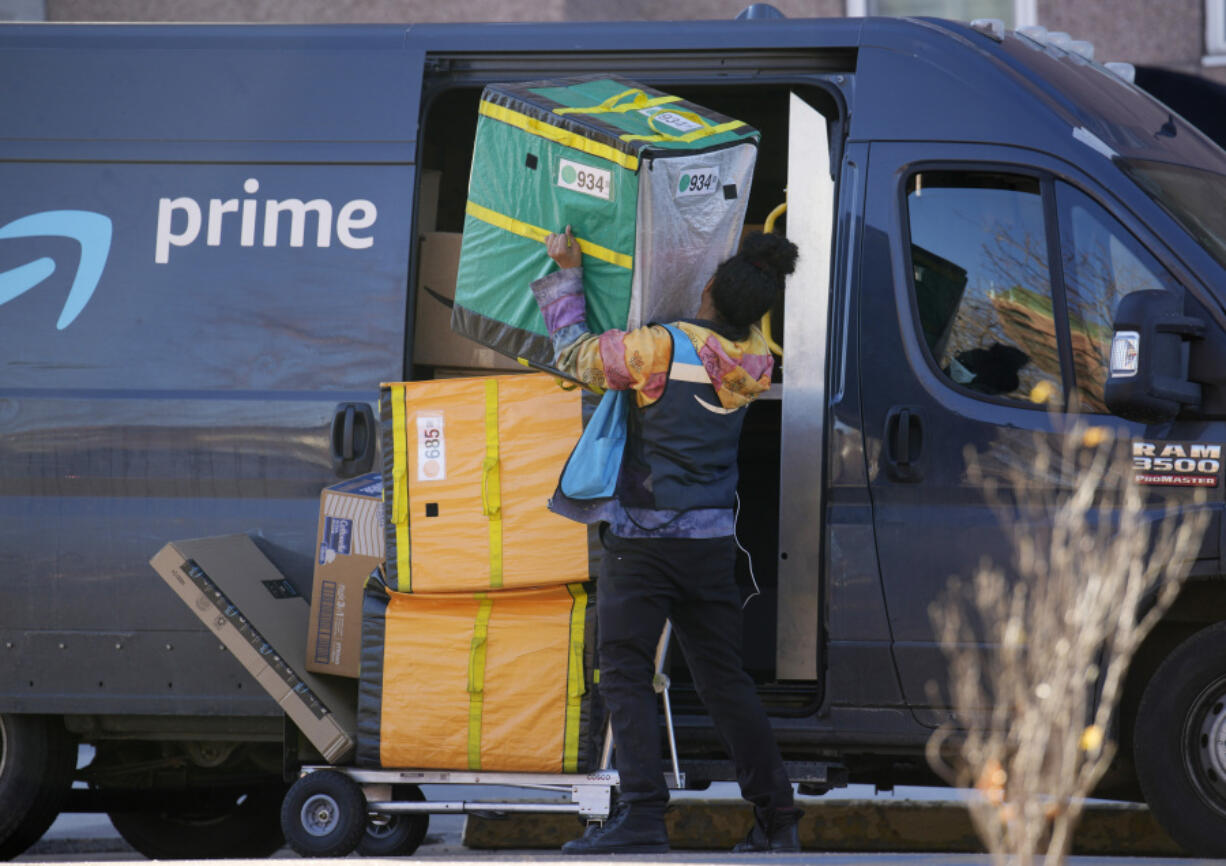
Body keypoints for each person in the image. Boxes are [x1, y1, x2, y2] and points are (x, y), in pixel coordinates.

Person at [530, 225, 802, 855]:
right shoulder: (757, 363)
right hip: (710, 546)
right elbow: (746, 321)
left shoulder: (657, 350)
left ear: (706, 287)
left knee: (624, 673)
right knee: (725, 682)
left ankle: (645, 815)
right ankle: (777, 819)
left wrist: (567, 273)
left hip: (644, 542)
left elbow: (574, 357)